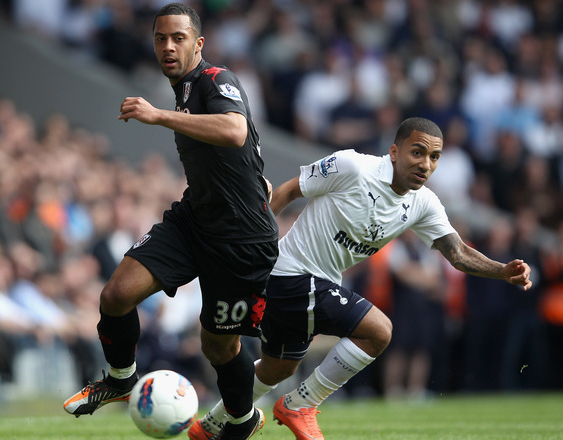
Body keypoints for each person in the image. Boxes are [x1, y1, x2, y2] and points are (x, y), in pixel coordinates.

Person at [189, 117, 532, 440]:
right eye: (417, 152)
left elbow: (457, 253)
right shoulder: (352, 166)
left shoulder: (424, 203)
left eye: (434, 157)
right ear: (394, 151)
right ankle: (301, 404)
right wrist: (253, 251)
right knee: (379, 331)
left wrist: (501, 271)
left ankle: (212, 424)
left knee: (278, 369)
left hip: (316, 283)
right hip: (289, 273)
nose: (425, 164)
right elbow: (288, 192)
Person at [63, 4, 279, 440]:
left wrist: (157, 115)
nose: (168, 46)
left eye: (178, 38)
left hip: (241, 242)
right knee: (117, 293)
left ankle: (241, 420)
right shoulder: (182, 91)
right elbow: (242, 153)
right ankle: (122, 379)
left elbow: (236, 131)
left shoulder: (216, 79)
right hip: (193, 220)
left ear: (198, 44)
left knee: (218, 344)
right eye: (161, 38)